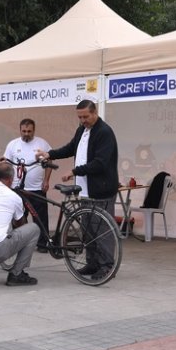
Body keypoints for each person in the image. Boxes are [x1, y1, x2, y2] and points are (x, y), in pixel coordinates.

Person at [36, 99, 119, 278]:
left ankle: (106, 267)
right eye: (80, 117)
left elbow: (100, 163)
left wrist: (74, 171)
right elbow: (71, 148)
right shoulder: (82, 130)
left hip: (101, 190)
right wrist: (50, 154)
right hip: (84, 190)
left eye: (86, 116)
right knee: (88, 230)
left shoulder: (104, 132)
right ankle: (92, 263)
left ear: (95, 112)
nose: (83, 120)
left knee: (102, 231)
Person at [3, 118, 52, 252]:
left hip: (37, 189)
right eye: (24, 131)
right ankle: (18, 243)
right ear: (20, 130)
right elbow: (6, 164)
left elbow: (49, 163)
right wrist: (6, 183)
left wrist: (46, 180)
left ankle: (42, 244)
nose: (26, 134)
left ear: (34, 130)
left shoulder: (42, 143)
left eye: (29, 131)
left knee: (40, 219)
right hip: (17, 189)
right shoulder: (12, 145)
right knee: (17, 218)